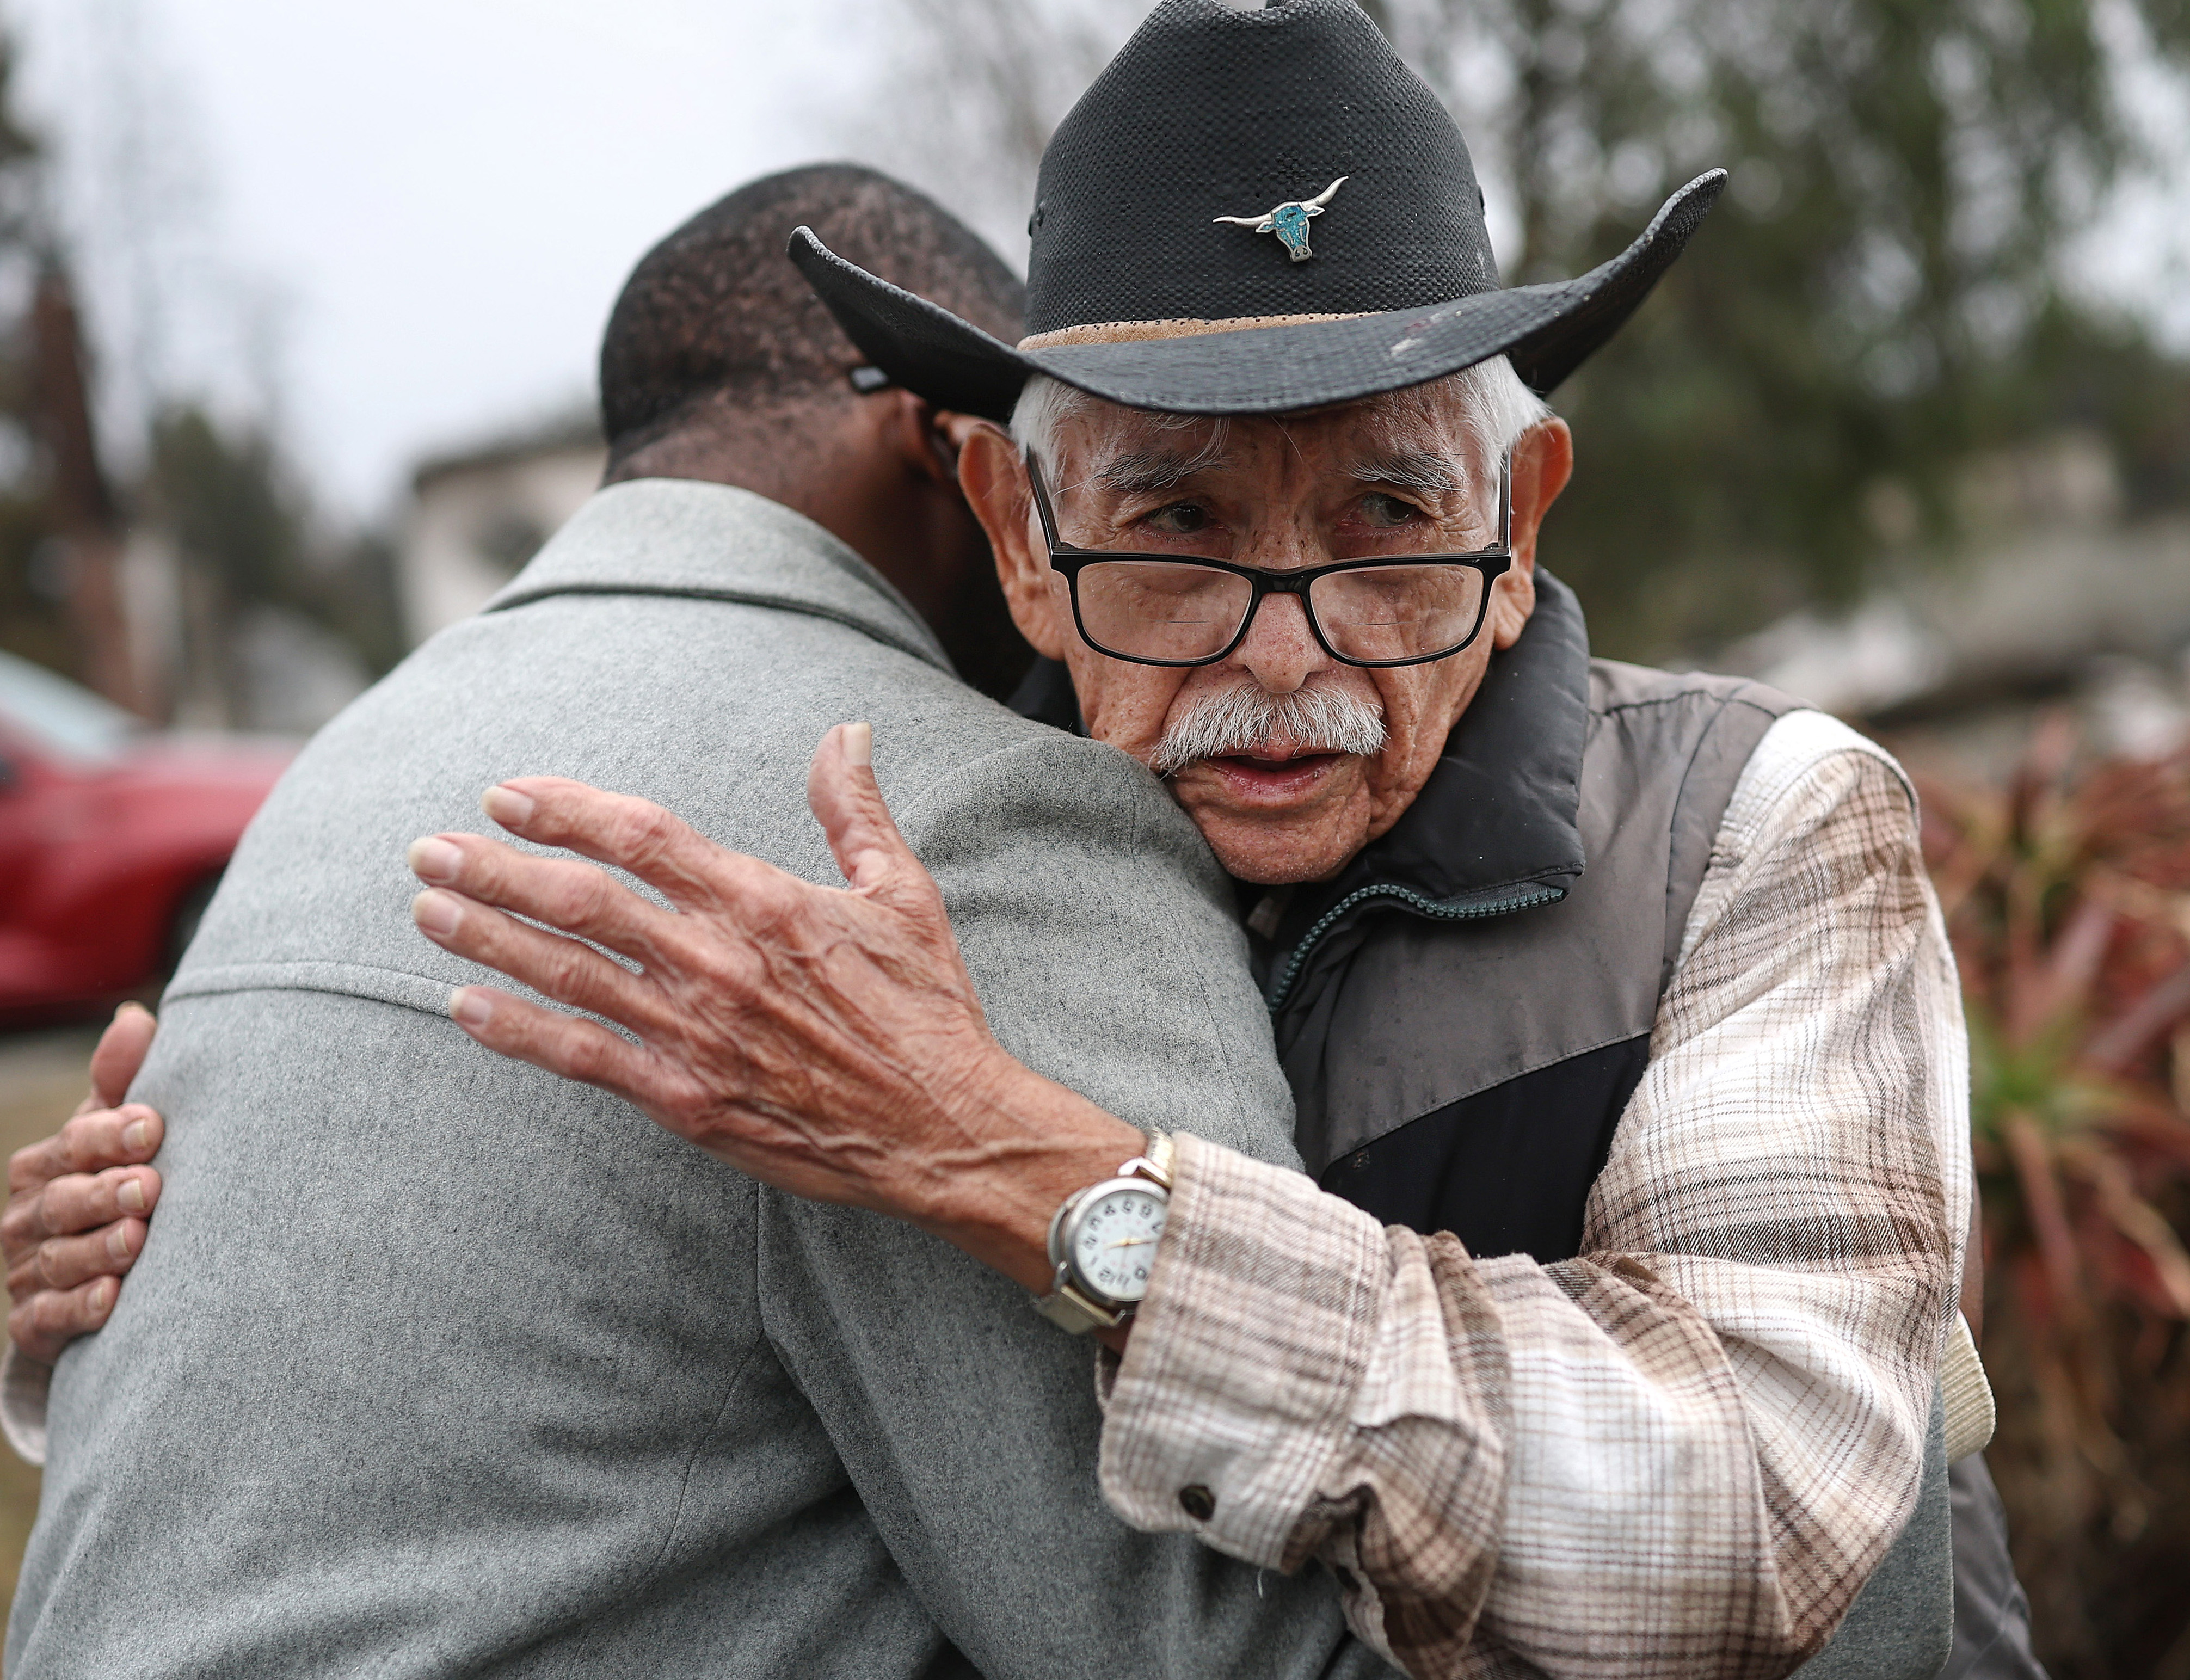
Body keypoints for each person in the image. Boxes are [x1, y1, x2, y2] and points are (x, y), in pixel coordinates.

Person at [7, 13, 2051, 1678]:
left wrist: (1052, 1184)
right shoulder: (927, 861)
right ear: (1013, 536)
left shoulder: (1764, 834)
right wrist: (146, 1324)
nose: (1287, 659)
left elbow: (1778, 1535)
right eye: (1171, 532)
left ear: (1522, 523)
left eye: (1384, 527)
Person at [2, 159, 1389, 1678]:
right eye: (1048, 468)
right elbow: (1230, 1634)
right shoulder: (962, 822)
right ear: (950, 454)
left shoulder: (340, 768)